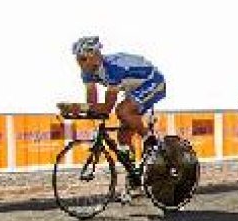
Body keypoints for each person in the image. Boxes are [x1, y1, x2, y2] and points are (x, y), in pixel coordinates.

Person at [63, 36, 166, 191]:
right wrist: (76, 111)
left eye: (83, 59)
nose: (80, 63)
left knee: (122, 110)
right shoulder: (87, 71)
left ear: (95, 57)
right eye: (77, 59)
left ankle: (150, 141)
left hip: (153, 82)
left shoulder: (112, 68)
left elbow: (106, 108)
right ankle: (135, 179)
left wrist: (80, 107)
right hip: (133, 89)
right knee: (123, 137)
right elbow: (92, 104)